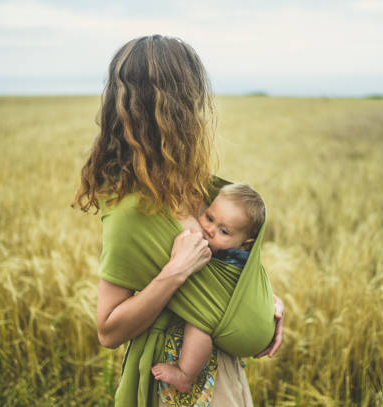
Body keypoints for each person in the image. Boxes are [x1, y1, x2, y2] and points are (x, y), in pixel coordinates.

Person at [73, 35, 284, 407]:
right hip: (175, 383)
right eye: (193, 99)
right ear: (176, 108)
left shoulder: (198, 188)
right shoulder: (130, 212)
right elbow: (108, 330)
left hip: (224, 372)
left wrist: (262, 302)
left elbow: (225, 271)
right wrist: (175, 271)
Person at [151, 183, 265, 393]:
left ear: (245, 245)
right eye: (209, 218)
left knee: (201, 323)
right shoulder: (216, 240)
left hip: (219, 313)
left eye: (224, 231)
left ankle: (186, 375)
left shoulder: (234, 260)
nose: (209, 230)